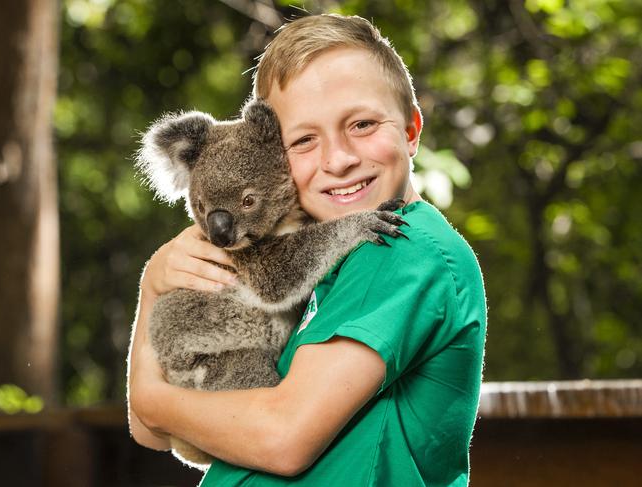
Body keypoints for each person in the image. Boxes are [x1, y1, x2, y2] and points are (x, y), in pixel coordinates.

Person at [128, 13, 487, 487]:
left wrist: (149, 399)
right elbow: (151, 433)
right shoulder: (340, 256)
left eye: (362, 124)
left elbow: (280, 437)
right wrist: (155, 284)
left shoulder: (398, 247)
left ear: (412, 130)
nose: (337, 159)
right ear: (278, 157)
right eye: (303, 140)